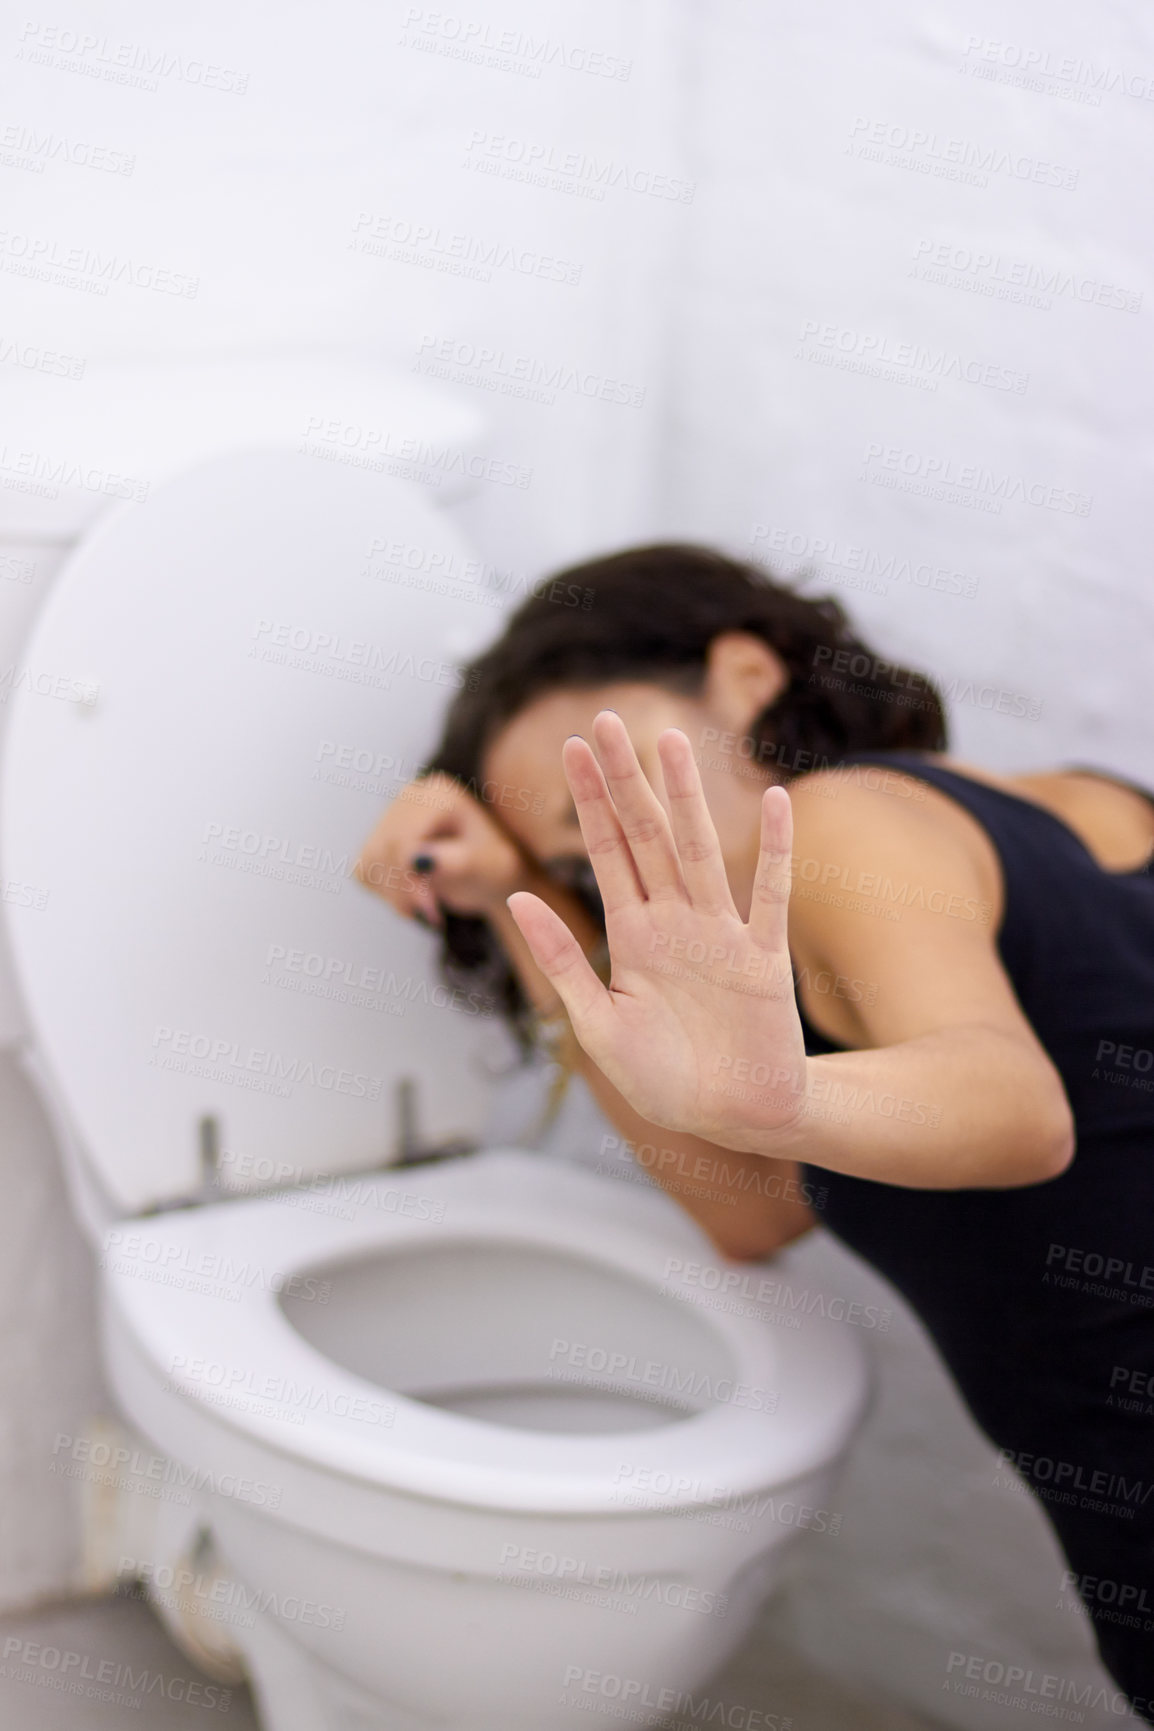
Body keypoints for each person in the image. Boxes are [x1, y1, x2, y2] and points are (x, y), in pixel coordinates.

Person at [357, 543, 1154, 1714]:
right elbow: (753, 1209)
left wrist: (769, 1097)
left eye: (609, 788)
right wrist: (533, 920)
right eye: (580, 855)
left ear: (740, 673)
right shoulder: (1080, 805)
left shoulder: (842, 827)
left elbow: (1013, 1106)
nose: (620, 850)